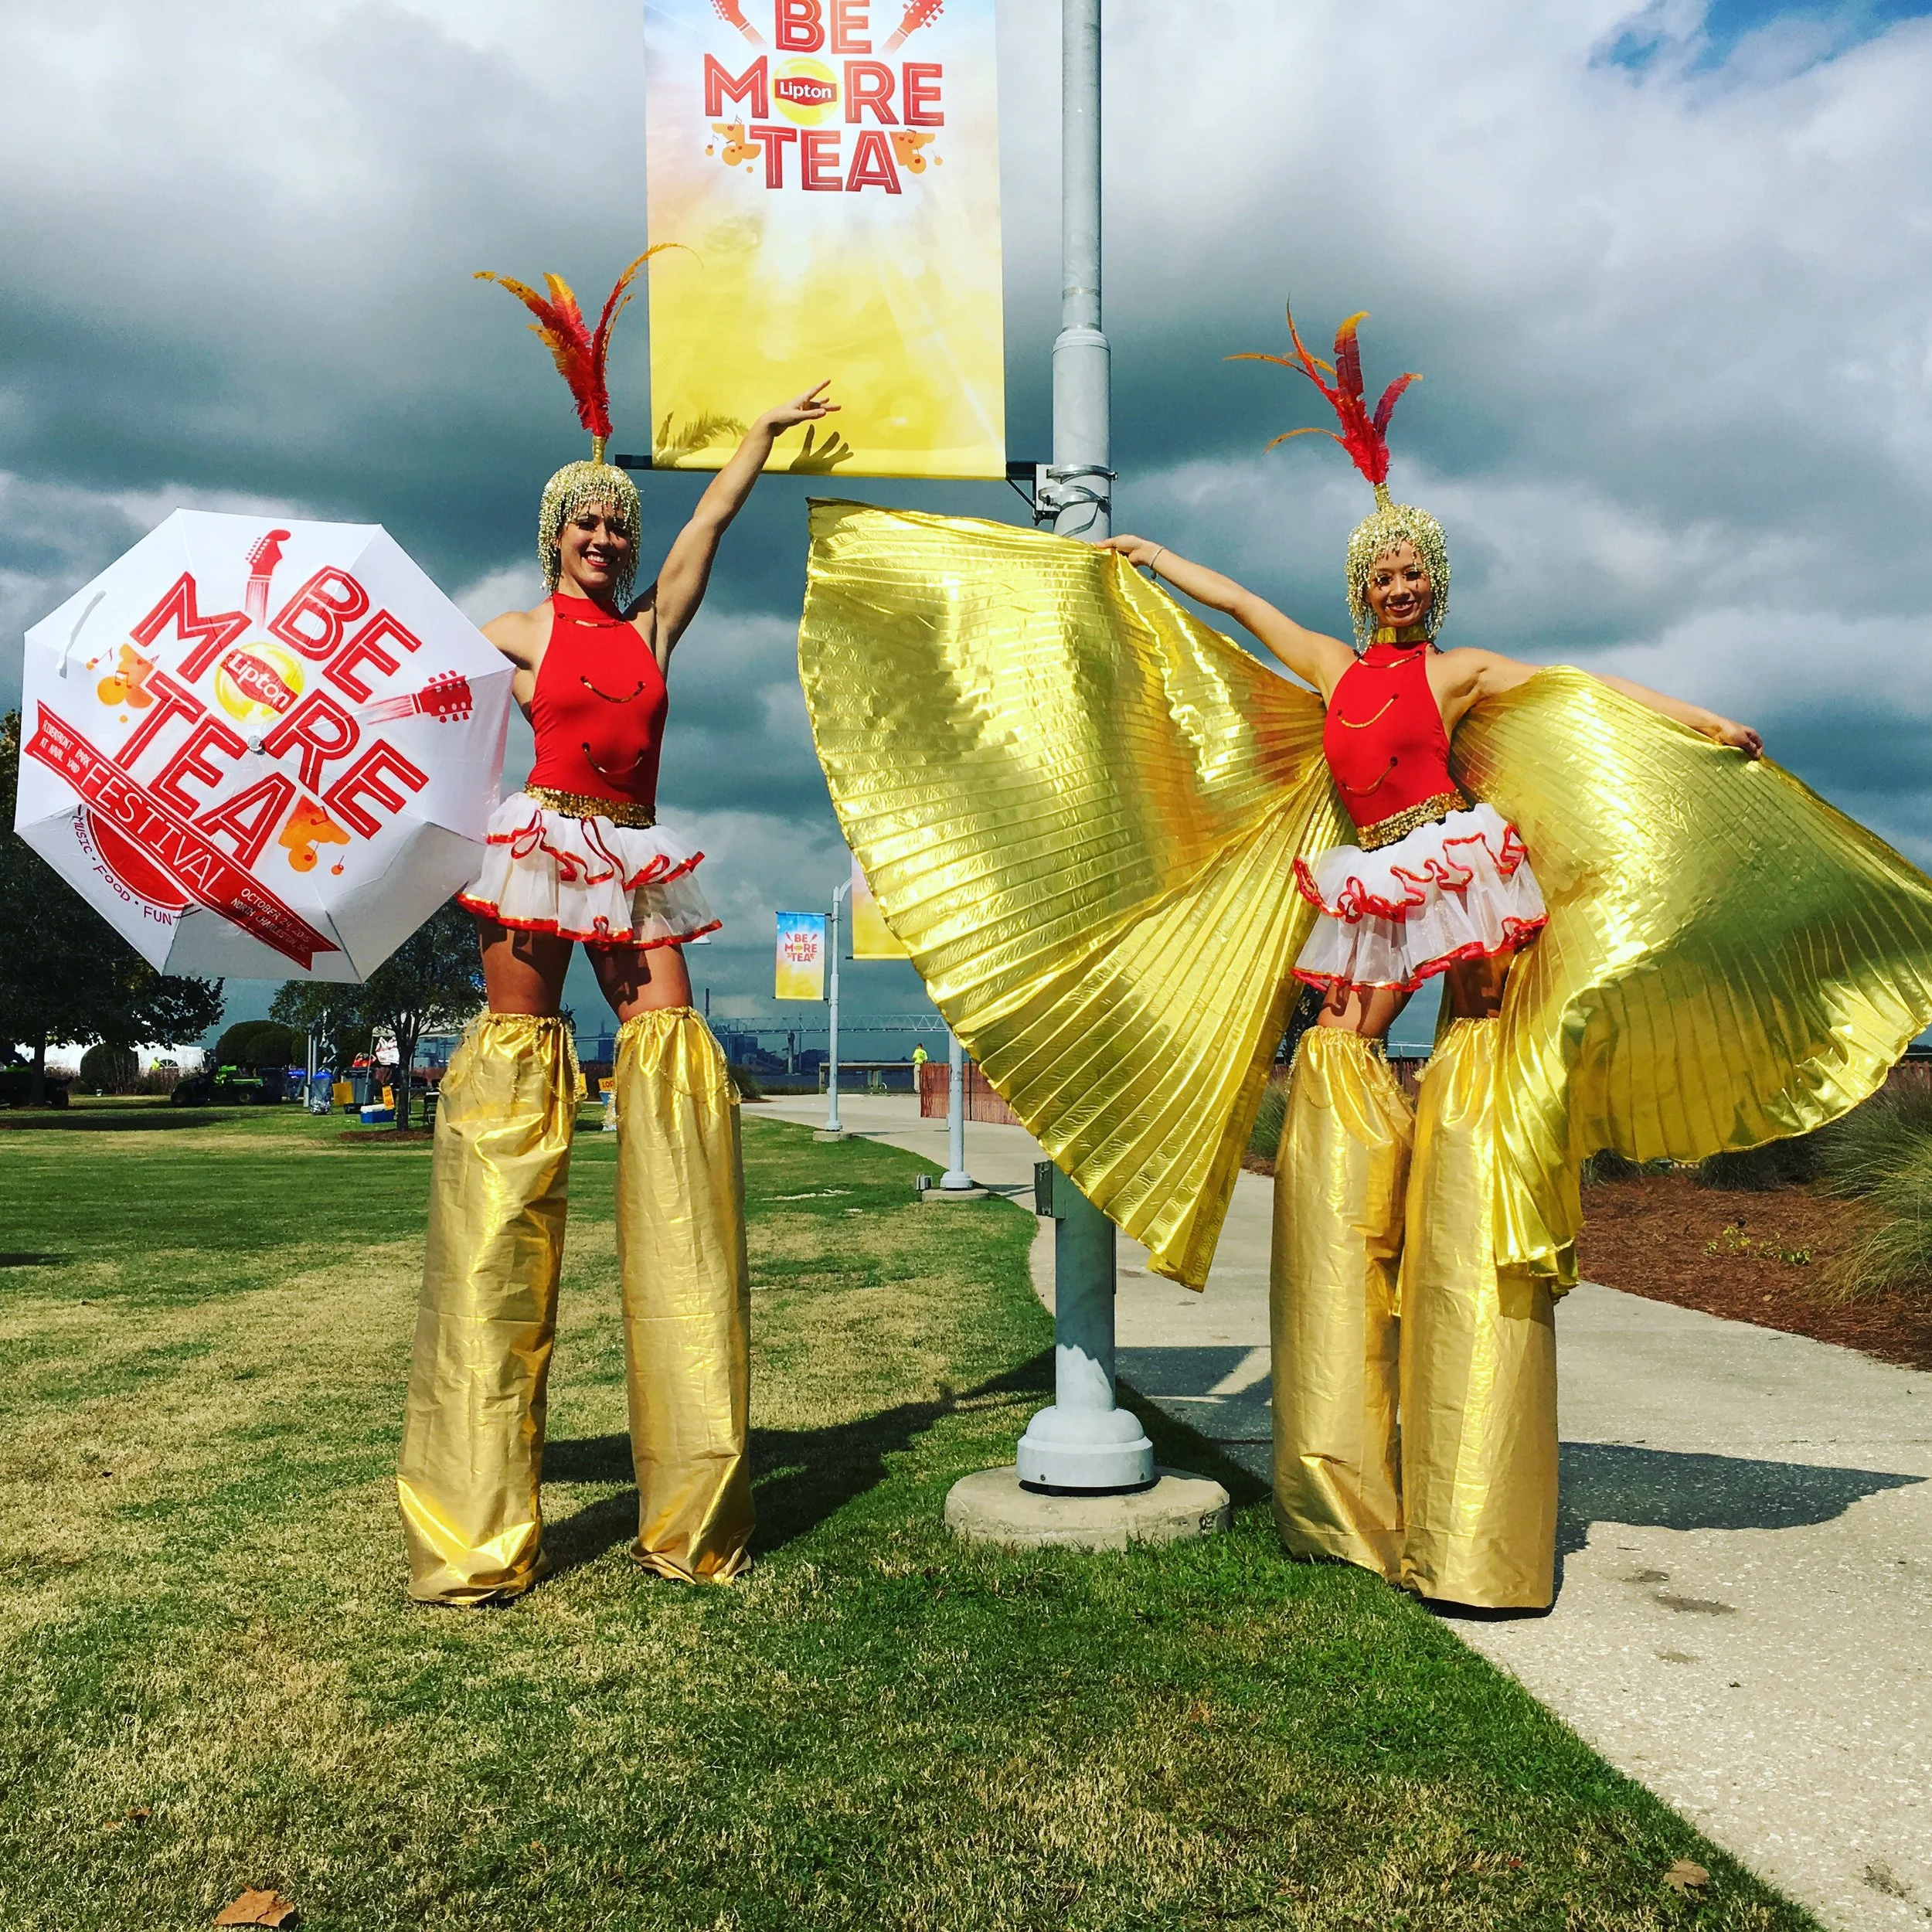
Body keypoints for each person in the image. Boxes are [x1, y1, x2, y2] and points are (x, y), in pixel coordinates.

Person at [794, 304, 1932, 1614]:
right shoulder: (1334, 669)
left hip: (1453, 852)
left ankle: (1479, 1129)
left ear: (1431, 587)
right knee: (1342, 1024)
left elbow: (1583, 693)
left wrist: (1704, 723)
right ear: (1363, 589)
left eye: (1413, 577)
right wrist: (1153, 557)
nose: (1398, 590)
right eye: (1382, 577)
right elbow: (1238, 610)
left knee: (1465, 1013)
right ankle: (1367, 1212)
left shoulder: (1458, 676)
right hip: (1378, 869)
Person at [396, 249, 838, 1603]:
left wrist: (757, 436)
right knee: (516, 1092)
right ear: (553, 539)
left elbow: (707, 525)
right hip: (542, 847)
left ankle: (691, 1500)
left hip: (635, 853)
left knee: (671, 1053)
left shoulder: (654, 626)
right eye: (585, 525)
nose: (607, 538)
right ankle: (478, 1520)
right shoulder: (521, 631)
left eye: (616, 527)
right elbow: (415, 698)